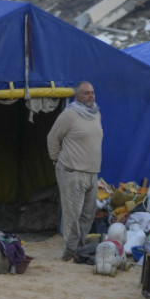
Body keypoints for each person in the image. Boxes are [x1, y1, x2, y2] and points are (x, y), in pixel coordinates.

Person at [47, 81, 103, 262]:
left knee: (88, 214)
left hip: (92, 173)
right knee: (73, 215)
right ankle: (70, 252)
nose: (90, 96)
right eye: (86, 93)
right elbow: (52, 137)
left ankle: (79, 248)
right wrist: (56, 159)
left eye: (92, 92)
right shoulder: (70, 115)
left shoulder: (96, 113)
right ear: (77, 95)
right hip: (72, 171)